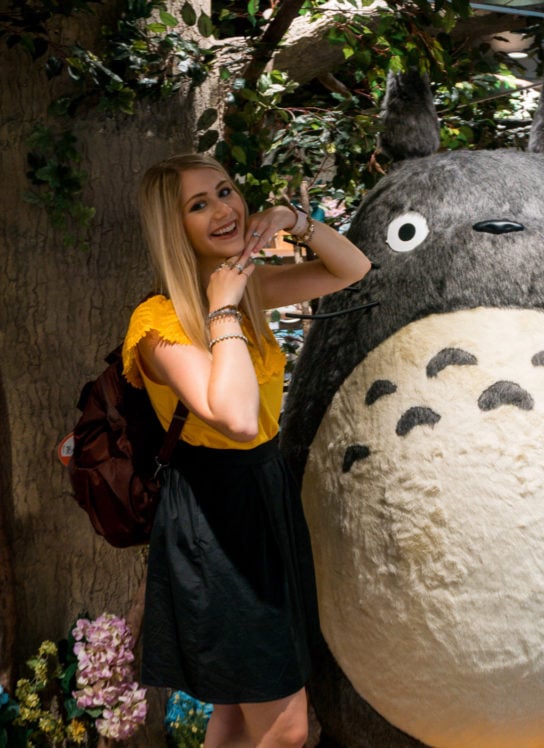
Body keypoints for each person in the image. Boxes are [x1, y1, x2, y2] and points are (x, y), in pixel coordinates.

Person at [123, 153, 371, 746]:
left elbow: (353, 268)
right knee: (284, 727)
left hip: (264, 494)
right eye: (198, 204)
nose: (222, 210)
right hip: (213, 515)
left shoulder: (248, 289)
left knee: (238, 712)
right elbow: (234, 418)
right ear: (172, 226)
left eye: (225, 191)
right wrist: (223, 309)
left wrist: (292, 220)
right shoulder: (157, 323)